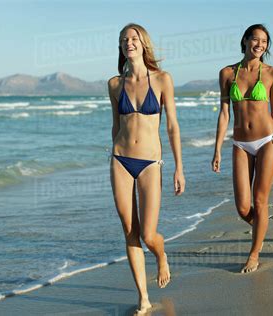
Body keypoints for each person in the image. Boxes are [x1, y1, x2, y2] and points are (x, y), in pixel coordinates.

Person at [108, 23, 185, 313]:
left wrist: (179, 167)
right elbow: (116, 126)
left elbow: (173, 127)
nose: (129, 42)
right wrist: (112, 155)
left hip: (151, 162)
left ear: (143, 43)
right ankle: (143, 297)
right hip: (120, 160)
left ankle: (161, 254)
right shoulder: (114, 84)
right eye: (124, 39)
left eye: (134, 38)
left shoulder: (163, 79)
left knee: (149, 235)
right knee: (130, 230)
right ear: (121, 46)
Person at [212, 24, 273, 273]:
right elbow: (224, 113)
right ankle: (261, 227)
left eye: (265, 41)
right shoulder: (227, 73)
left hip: (269, 140)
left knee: (260, 199)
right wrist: (217, 149)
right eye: (255, 39)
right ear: (245, 40)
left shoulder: (272, 74)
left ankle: (254, 253)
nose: (260, 45)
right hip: (240, 143)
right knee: (243, 207)